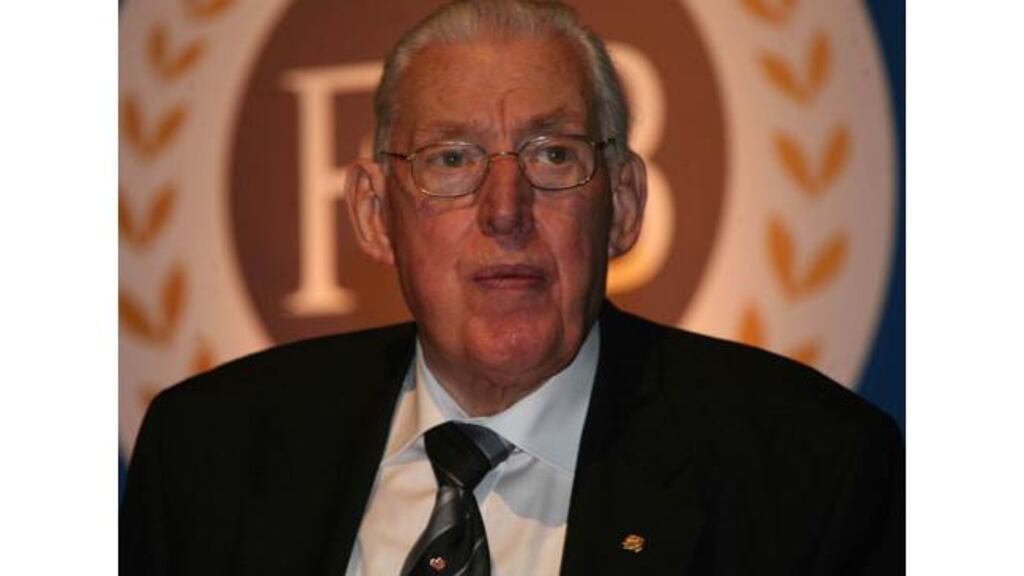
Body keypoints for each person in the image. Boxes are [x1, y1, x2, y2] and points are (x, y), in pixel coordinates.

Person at [120, 1, 904, 574]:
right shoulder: (207, 455)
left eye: (553, 155)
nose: (505, 211)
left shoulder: (812, 473)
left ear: (623, 204)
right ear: (372, 213)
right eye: (452, 159)